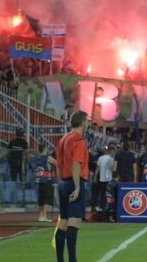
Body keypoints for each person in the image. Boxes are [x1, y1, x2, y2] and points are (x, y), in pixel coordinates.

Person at [56, 111, 90, 262]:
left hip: (63, 182)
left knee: (63, 221)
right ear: (83, 123)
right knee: (74, 220)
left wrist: (62, 182)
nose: (88, 123)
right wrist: (77, 187)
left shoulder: (63, 139)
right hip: (75, 181)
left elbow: (58, 164)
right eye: (87, 121)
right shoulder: (79, 140)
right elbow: (76, 164)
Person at [32, 144, 56, 222]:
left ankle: (40, 216)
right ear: (45, 149)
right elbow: (57, 163)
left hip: (39, 179)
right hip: (47, 179)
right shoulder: (48, 158)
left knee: (41, 198)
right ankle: (44, 216)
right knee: (47, 198)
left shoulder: (35, 158)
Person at [92, 144, 115, 214]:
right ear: (110, 151)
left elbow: (97, 169)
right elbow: (112, 169)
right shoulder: (111, 159)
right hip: (109, 179)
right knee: (109, 194)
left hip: (102, 179)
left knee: (102, 194)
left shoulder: (100, 158)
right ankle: (108, 207)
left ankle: (102, 206)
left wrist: (95, 178)